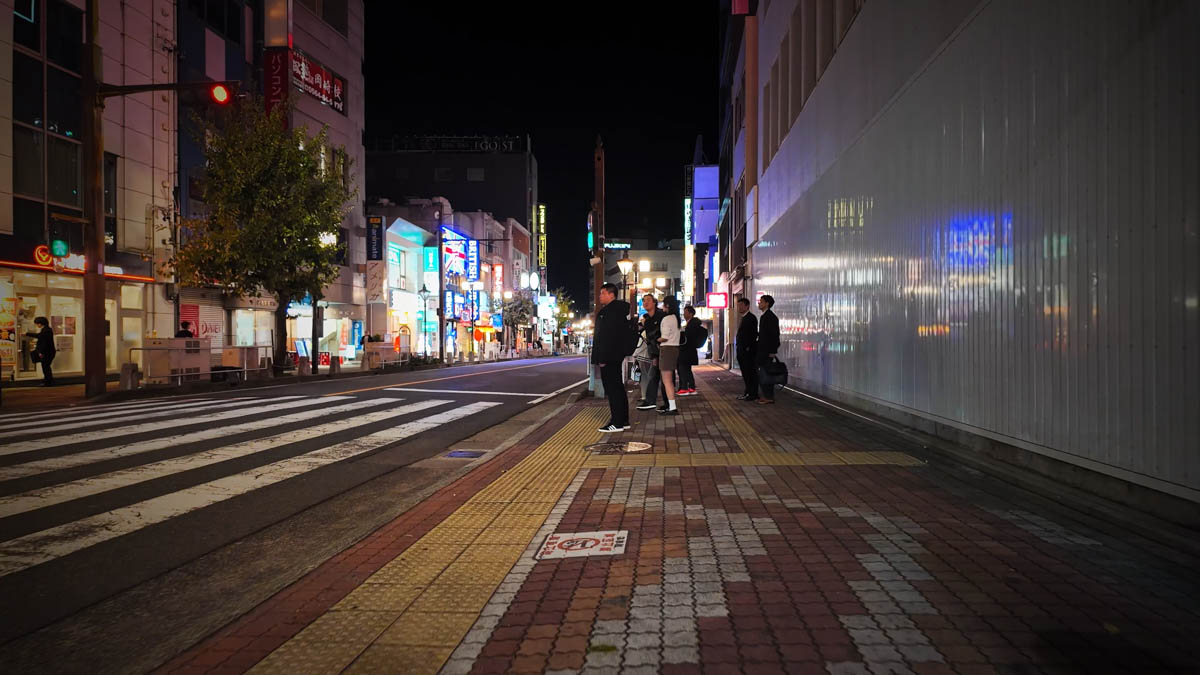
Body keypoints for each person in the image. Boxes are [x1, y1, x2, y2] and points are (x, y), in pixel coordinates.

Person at [592, 282, 632, 433]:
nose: (600, 296)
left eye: (603, 293)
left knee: (612, 389)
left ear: (611, 294)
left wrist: (602, 358)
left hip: (608, 356)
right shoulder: (620, 311)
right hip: (616, 355)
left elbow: (605, 337)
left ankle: (617, 422)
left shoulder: (608, 312)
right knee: (618, 388)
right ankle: (624, 419)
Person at [635, 295, 663, 411]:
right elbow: (650, 340)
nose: (645, 303)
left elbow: (656, 337)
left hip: (665, 350)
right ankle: (652, 400)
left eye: (647, 300)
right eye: (643, 301)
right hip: (656, 352)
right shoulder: (648, 321)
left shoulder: (661, 316)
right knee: (656, 376)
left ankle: (655, 401)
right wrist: (654, 355)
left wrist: (655, 355)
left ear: (654, 303)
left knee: (661, 377)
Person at [656, 295, 682, 415]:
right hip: (675, 349)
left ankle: (672, 407)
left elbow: (665, 338)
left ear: (667, 306)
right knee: (669, 380)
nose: (662, 306)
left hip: (667, 349)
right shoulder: (676, 318)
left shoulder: (667, 319)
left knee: (667, 381)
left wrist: (656, 339)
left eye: (664, 304)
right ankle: (671, 406)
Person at [756, 294, 781, 404]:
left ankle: (769, 396)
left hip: (767, 351)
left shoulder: (770, 317)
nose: (759, 303)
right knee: (764, 373)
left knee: (766, 373)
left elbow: (774, 335)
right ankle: (766, 395)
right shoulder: (765, 316)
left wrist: (773, 351)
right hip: (763, 350)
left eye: (761, 301)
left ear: (767, 303)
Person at [676, 305, 705, 396]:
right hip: (689, 351)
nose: (684, 314)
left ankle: (685, 388)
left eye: (685, 312)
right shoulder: (691, 323)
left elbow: (688, 338)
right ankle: (691, 388)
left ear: (691, 313)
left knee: (683, 369)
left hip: (687, 351)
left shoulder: (692, 325)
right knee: (687, 369)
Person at [735, 297, 758, 400]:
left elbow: (752, 335)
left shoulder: (751, 318)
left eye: (741, 305)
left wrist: (747, 348)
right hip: (742, 350)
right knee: (745, 373)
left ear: (747, 306)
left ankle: (752, 393)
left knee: (750, 372)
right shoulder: (744, 317)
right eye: (738, 305)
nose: (739, 307)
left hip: (747, 351)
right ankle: (748, 392)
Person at [25, 316, 56, 386]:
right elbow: (40, 336)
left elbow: (41, 339)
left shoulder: (46, 330)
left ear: (40, 323)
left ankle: (48, 382)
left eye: (37, 323)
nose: (36, 325)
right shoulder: (47, 329)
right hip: (49, 352)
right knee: (46, 367)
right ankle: (49, 381)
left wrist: (41, 352)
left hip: (47, 353)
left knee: (46, 367)